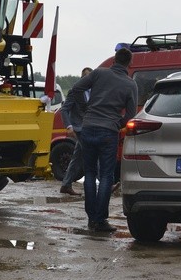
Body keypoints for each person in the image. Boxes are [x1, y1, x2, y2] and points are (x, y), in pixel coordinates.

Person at [68, 48, 137, 232]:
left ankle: (92, 218)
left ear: (114, 59)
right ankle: (100, 220)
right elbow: (131, 115)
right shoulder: (130, 85)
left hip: (88, 127)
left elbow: (76, 89)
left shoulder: (99, 73)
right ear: (129, 64)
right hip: (109, 132)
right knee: (106, 175)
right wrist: (116, 123)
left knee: (89, 173)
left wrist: (86, 109)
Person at [58, 67, 93, 196]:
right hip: (79, 128)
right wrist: (69, 126)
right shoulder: (75, 90)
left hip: (89, 126)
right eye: (87, 77)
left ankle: (66, 185)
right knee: (94, 152)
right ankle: (104, 182)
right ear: (83, 78)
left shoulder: (94, 91)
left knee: (77, 158)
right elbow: (64, 109)